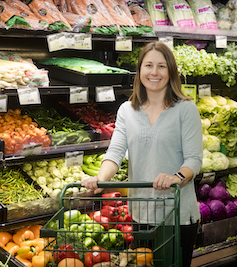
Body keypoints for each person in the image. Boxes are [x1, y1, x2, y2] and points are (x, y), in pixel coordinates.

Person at [81, 41, 203, 267]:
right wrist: (101, 179)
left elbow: (194, 160)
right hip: (140, 213)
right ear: (139, 72)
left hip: (177, 215)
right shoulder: (127, 110)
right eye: (148, 65)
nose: (154, 72)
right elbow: (115, 152)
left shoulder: (186, 109)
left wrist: (176, 177)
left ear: (171, 72)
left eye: (161, 66)